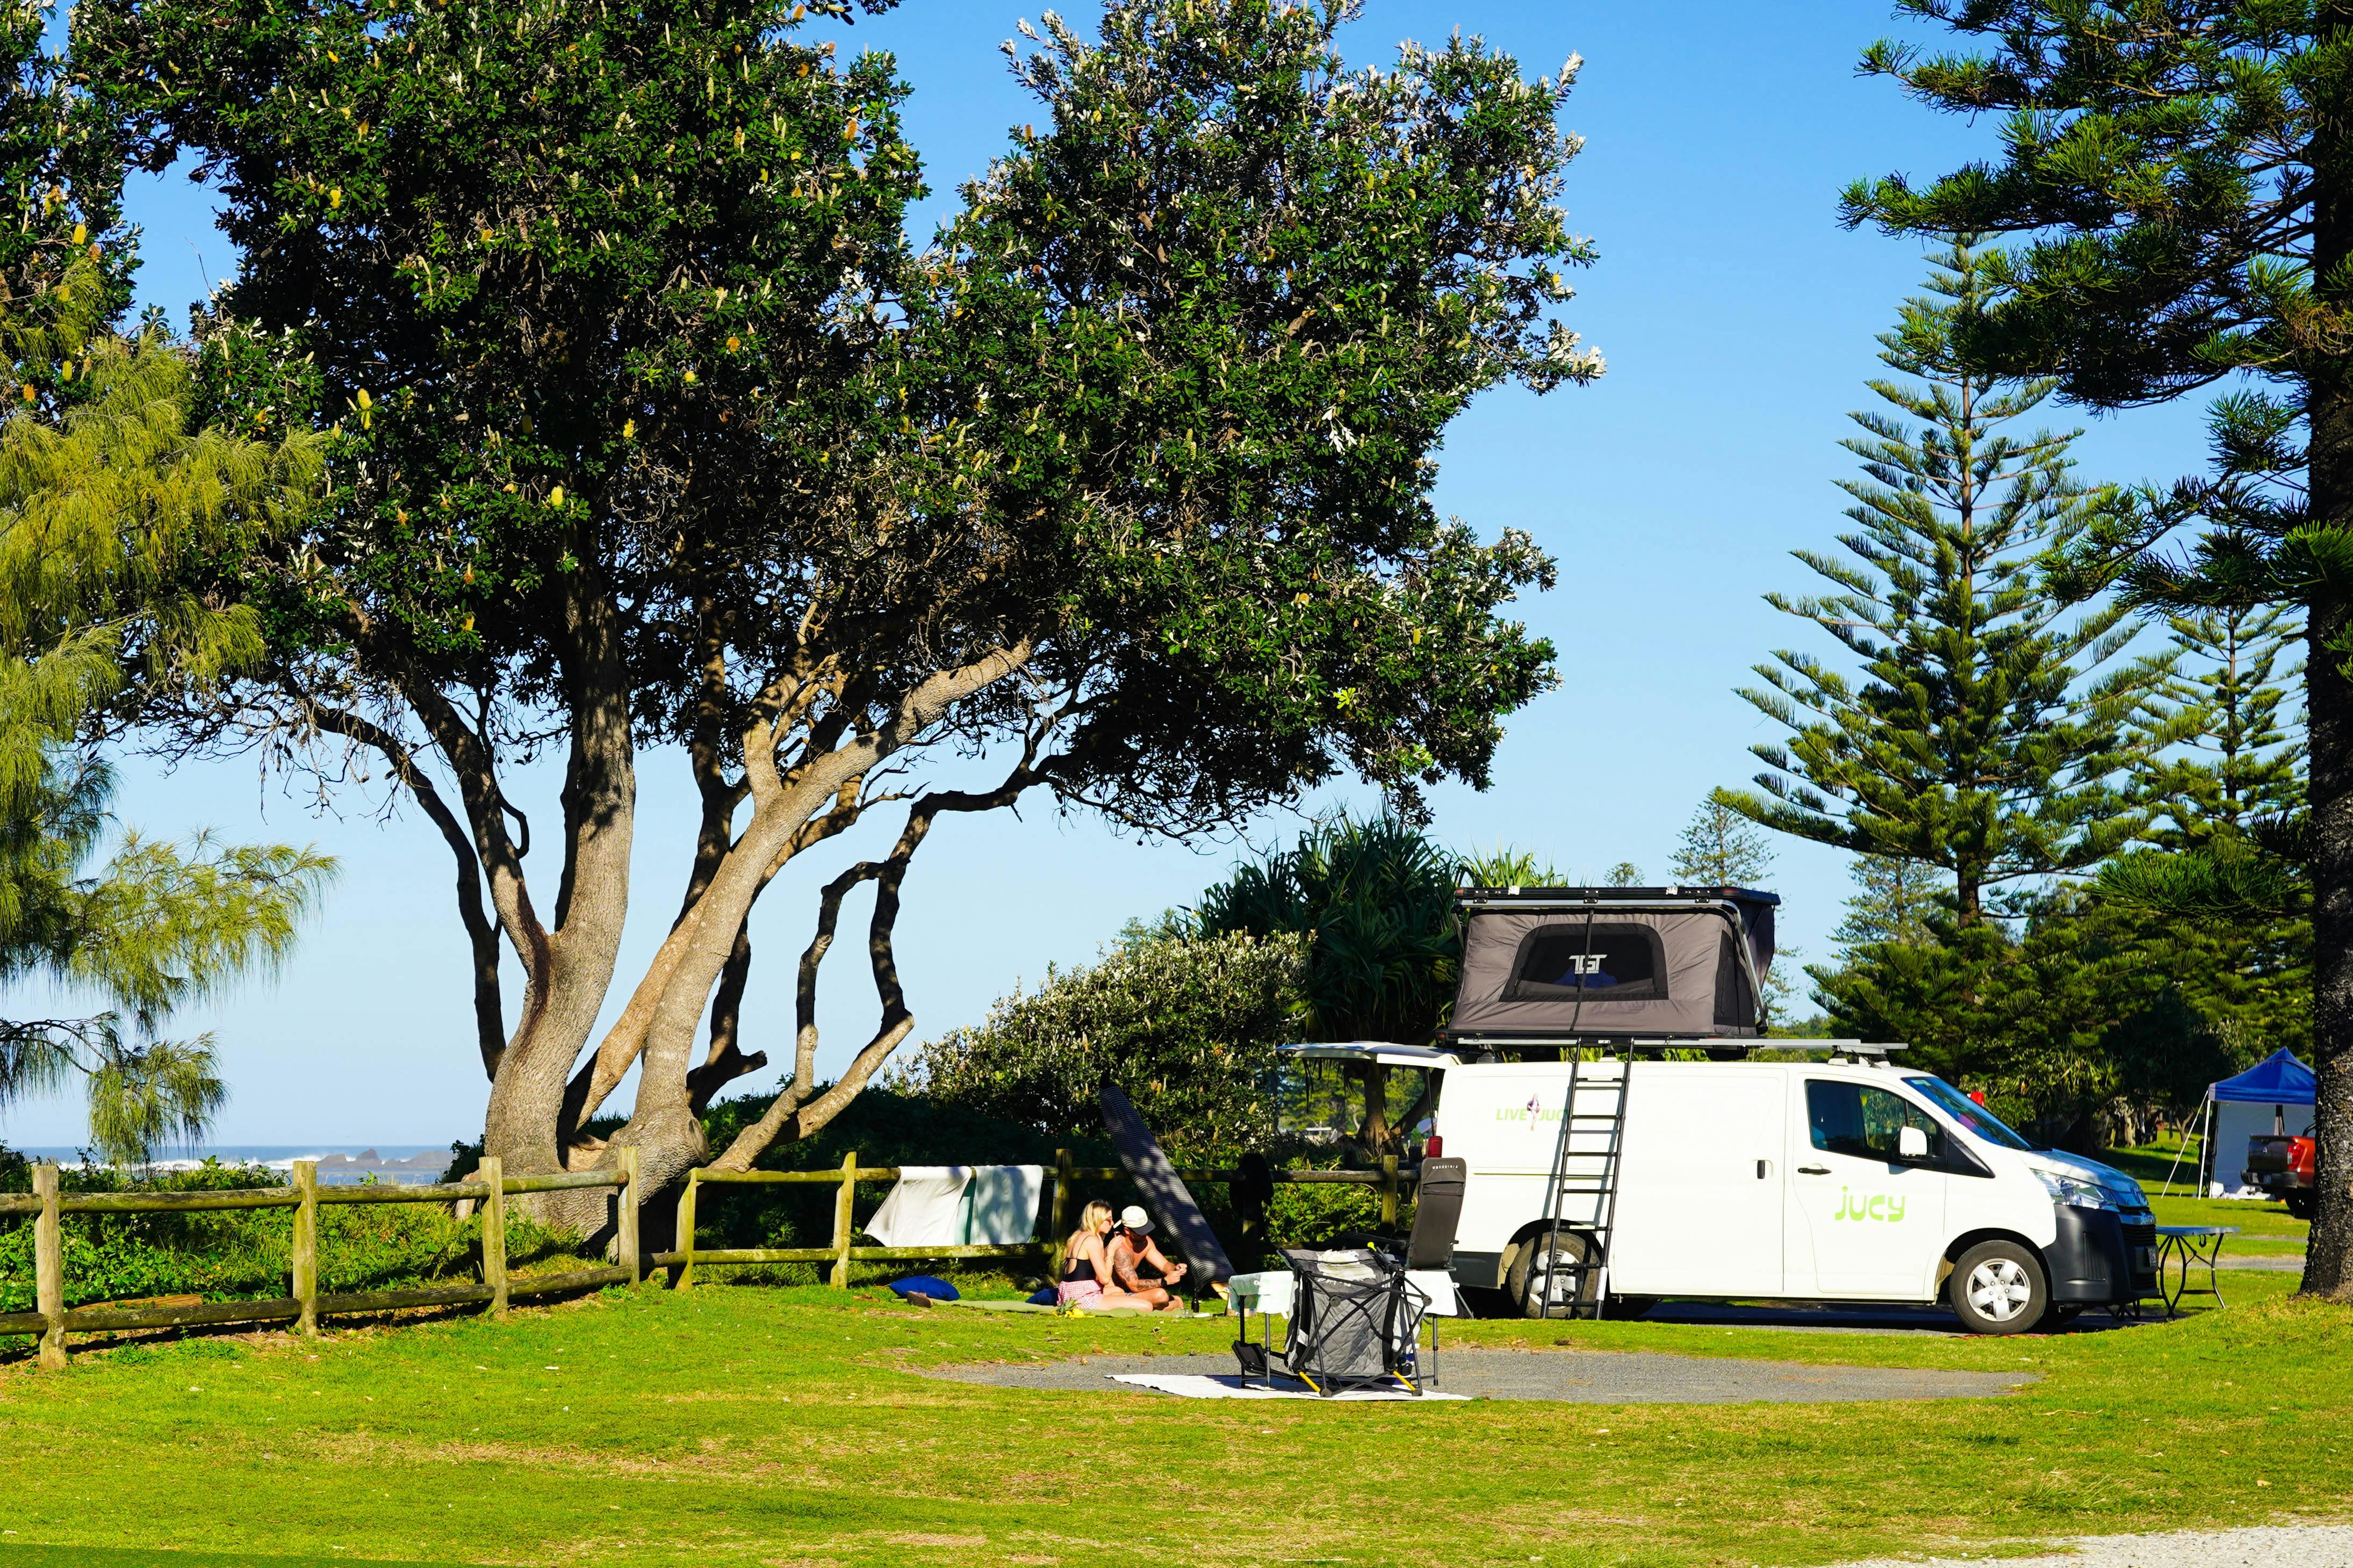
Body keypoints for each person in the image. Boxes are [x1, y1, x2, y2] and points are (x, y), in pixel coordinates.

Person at [1056, 1201, 1164, 1311]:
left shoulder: (1079, 1235)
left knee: (1118, 1292)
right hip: (1082, 1298)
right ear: (1097, 1220)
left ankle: (1123, 1302)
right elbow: (1105, 1279)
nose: (1112, 1223)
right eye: (1108, 1220)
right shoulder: (1092, 1241)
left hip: (1071, 1292)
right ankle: (1126, 1304)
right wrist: (1111, 1252)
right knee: (1147, 1306)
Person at [1106, 1204, 1189, 1311]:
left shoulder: (1145, 1242)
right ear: (1127, 1230)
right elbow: (1134, 1286)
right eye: (1140, 1232)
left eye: (1146, 1229)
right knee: (1162, 1296)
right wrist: (1165, 1281)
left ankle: (1149, 1307)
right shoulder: (1120, 1250)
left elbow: (1164, 1265)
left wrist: (1176, 1269)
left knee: (1172, 1299)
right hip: (1113, 1294)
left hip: (1129, 1293)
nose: (1144, 1234)